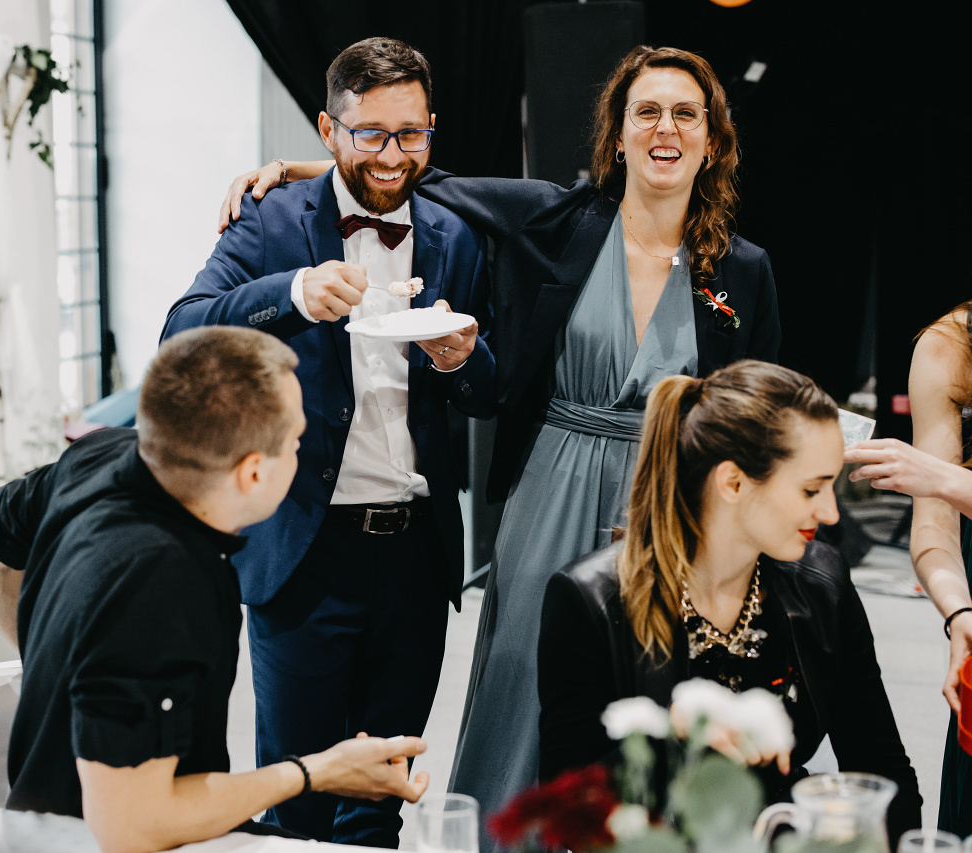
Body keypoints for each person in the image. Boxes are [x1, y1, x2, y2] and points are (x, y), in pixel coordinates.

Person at [221, 45, 780, 844]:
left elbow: (757, 412)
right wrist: (303, 167)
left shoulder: (744, 271)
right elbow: (418, 177)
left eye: (685, 113)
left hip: (667, 509)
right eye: (645, 112)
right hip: (552, 492)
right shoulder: (563, 220)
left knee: (653, 705)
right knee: (526, 695)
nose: (665, 128)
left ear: (713, 138)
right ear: (617, 135)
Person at [163, 37, 494, 848]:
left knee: (382, 790)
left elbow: (489, 389)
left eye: (411, 134)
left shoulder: (455, 236)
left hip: (415, 560)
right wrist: (292, 293)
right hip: (305, 551)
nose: (391, 154)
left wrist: (461, 358)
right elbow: (179, 333)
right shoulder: (272, 223)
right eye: (370, 133)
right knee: (298, 791)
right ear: (327, 129)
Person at [0, 327, 431, 853]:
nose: (302, 450)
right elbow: (131, 827)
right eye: (297, 440)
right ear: (253, 472)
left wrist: (57, 656)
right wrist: (316, 770)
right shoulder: (167, 583)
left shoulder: (100, 457)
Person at [538, 360, 922, 846]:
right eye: (811, 489)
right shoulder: (591, 599)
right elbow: (563, 809)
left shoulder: (822, 584)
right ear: (733, 483)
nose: (829, 513)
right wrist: (667, 748)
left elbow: (879, 765)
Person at [842, 300, 972, 834]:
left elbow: (939, 487)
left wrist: (944, 479)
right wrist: (959, 613)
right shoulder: (950, 347)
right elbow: (935, 532)